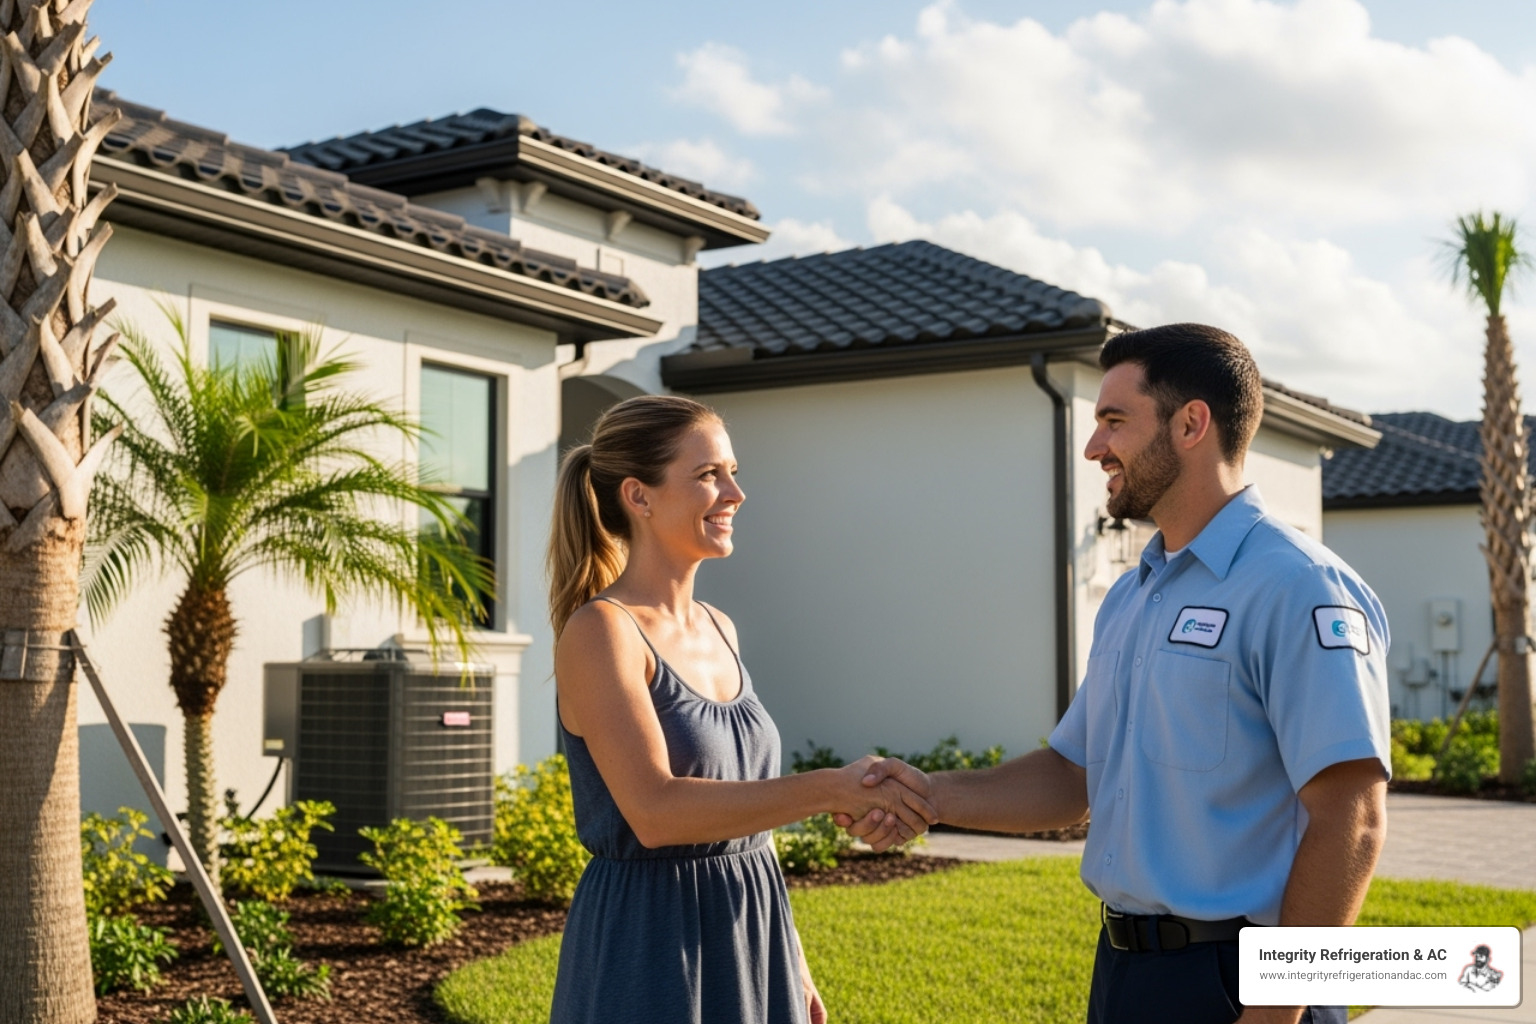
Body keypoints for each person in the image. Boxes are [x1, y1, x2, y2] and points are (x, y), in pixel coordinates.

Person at [845, 324, 1391, 1024]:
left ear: (1192, 423)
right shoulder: (1135, 595)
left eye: (1113, 421)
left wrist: (1272, 1013)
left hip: (1242, 986)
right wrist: (927, 796)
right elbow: (1073, 778)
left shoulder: (1299, 587)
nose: (1093, 446)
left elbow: (1353, 817)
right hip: (1125, 977)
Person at [546, 394, 935, 1024]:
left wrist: (793, 957)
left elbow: (745, 821)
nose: (735, 493)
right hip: (650, 949)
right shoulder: (602, 632)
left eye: (733, 471)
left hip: (755, 931)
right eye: (708, 475)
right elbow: (654, 812)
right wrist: (830, 788)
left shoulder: (720, 627)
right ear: (638, 497)